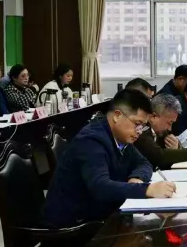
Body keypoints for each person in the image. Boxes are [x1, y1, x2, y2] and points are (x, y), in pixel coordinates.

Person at [43, 90, 176, 228]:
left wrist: (137, 178)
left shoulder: (120, 136)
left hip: (100, 213)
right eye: (137, 123)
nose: (139, 131)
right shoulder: (91, 141)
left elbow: (143, 163)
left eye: (142, 126)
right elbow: (100, 187)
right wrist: (147, 189)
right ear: (117, 116)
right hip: (74, 225)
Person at [134, 93, 187, 170]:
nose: (170, 128)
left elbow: (171, 151)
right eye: (169, 123)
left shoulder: (161, 130)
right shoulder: (141, 131)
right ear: (153, 117)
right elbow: (160, 156)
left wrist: (178, 147)